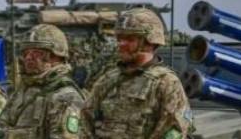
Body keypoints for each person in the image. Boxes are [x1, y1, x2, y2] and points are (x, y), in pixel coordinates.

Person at [82, 8, 194, 139]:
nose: (121, 44)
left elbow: (174, 131)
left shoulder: (166, 83)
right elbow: (84, 122)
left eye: (129, 39)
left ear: (149, 42)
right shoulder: (108, 79)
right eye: (120, 38)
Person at [0, 24, 85, 139]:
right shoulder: (22, 91)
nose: (29, 58)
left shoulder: (65, 97)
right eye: (27, 53)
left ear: (55, 57)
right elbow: (1, 129)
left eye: (37, 53)